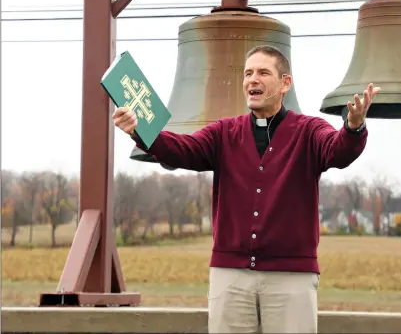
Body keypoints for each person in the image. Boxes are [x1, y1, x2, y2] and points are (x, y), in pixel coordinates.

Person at [112, 45, 380, 333]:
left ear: (285, 83)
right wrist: (139, 130)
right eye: (248, 73)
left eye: (263, 72)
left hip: (291, 277)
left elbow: (337, 150)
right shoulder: (224, 132)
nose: (253, 79)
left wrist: (353, 127)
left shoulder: (309, 131)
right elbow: (181, 149)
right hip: (230, 276)